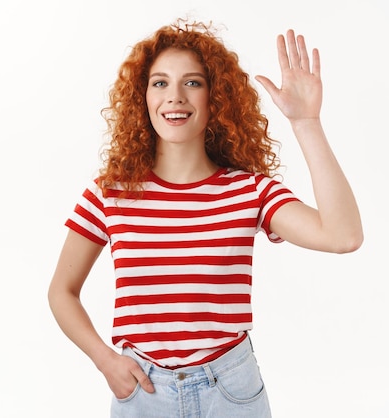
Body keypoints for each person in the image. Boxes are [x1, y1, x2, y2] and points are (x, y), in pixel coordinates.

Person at [47, 17, 362, 418]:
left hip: (230, 391)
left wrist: (306, 123)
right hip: (142, 392)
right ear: (142, 96)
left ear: (216, 97)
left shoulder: (249, 191)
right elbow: (61, 292)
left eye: (192, 82)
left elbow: (343, 236)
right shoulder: (110, 193)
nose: (174, 96)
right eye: (160, 83)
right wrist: (104, 360)